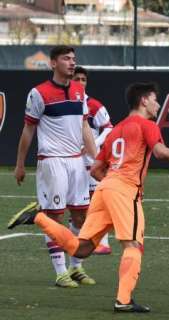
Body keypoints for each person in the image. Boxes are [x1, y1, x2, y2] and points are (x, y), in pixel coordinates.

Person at [8, 82, 169, 313]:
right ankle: (123, 300)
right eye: (154, 99)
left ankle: (40, 217)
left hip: (105, 188)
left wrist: (113, 181)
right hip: (124, 190)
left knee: (82, 248)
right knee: (133, 245)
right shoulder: (148, 125)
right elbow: (160, 152)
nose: (158, 104)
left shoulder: (117, 129)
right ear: (143, 101)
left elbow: (96, 170)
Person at [13, 45, 98, 288]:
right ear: (53, 63)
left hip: (77, 162)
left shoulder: (80, 91)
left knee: (82, 216)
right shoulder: (38, 93)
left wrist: (97, 159)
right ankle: (60, 272)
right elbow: (28, 129)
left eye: (74, 59)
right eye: (66, 59)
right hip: (52, 162)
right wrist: (20, 164)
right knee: (55, 217)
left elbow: (85, 129)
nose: (72, 63)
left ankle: (76, 268)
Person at [73, 66, 114, 255]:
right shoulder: (65, 102)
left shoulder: (94, 105)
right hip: (71, 161)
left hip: (90, 161)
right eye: (77, 79)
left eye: (83, 79)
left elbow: (108, 128)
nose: (80, 82)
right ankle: (75, 238)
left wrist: (93, 146)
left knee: (94, 201)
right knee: (74, 203)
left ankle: (102, 242)